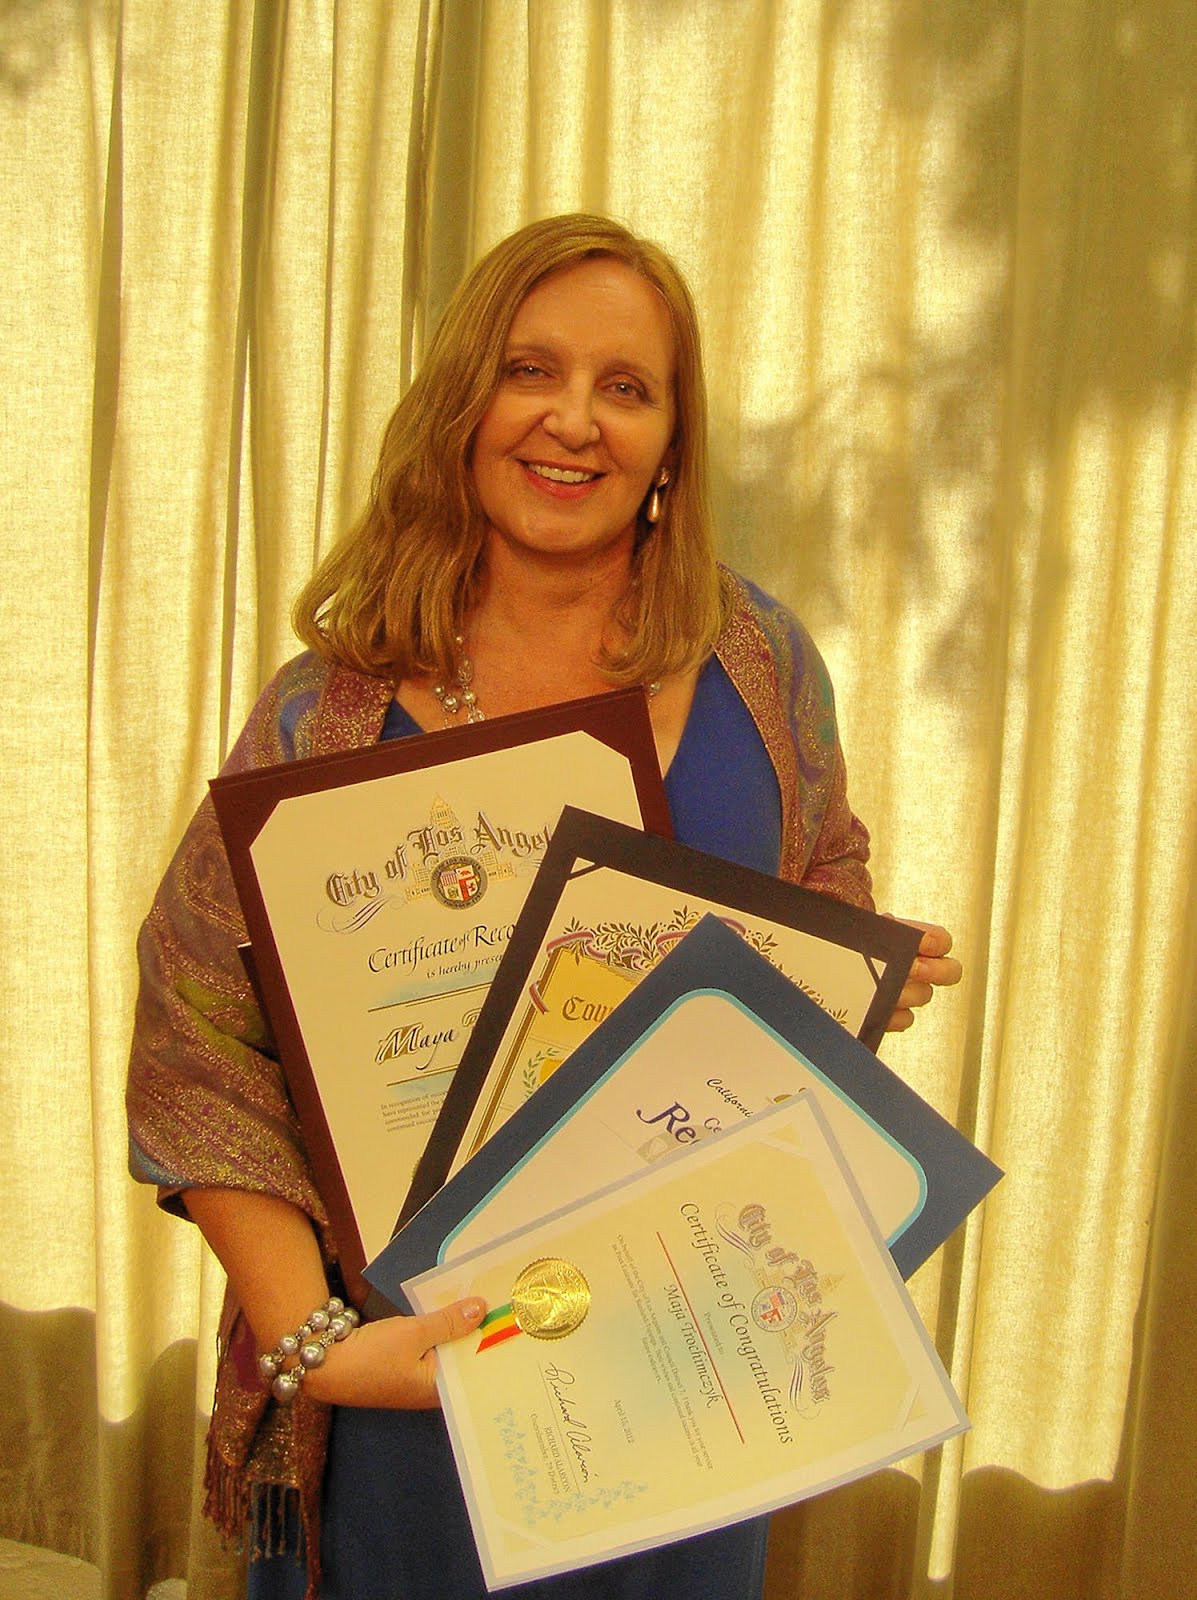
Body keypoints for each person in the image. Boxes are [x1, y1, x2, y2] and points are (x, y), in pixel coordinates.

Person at [126, 213, 960, 1600]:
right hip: (417, 1378)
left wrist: (853, 973)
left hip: (692, 1362)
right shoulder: (322, 714)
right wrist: (321, 1347)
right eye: (531, 370)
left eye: (626, 387)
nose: (574, 420)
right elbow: (198, 1038)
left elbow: (822, 871)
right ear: (466, 403)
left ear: (672, 442)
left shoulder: (759, 660)